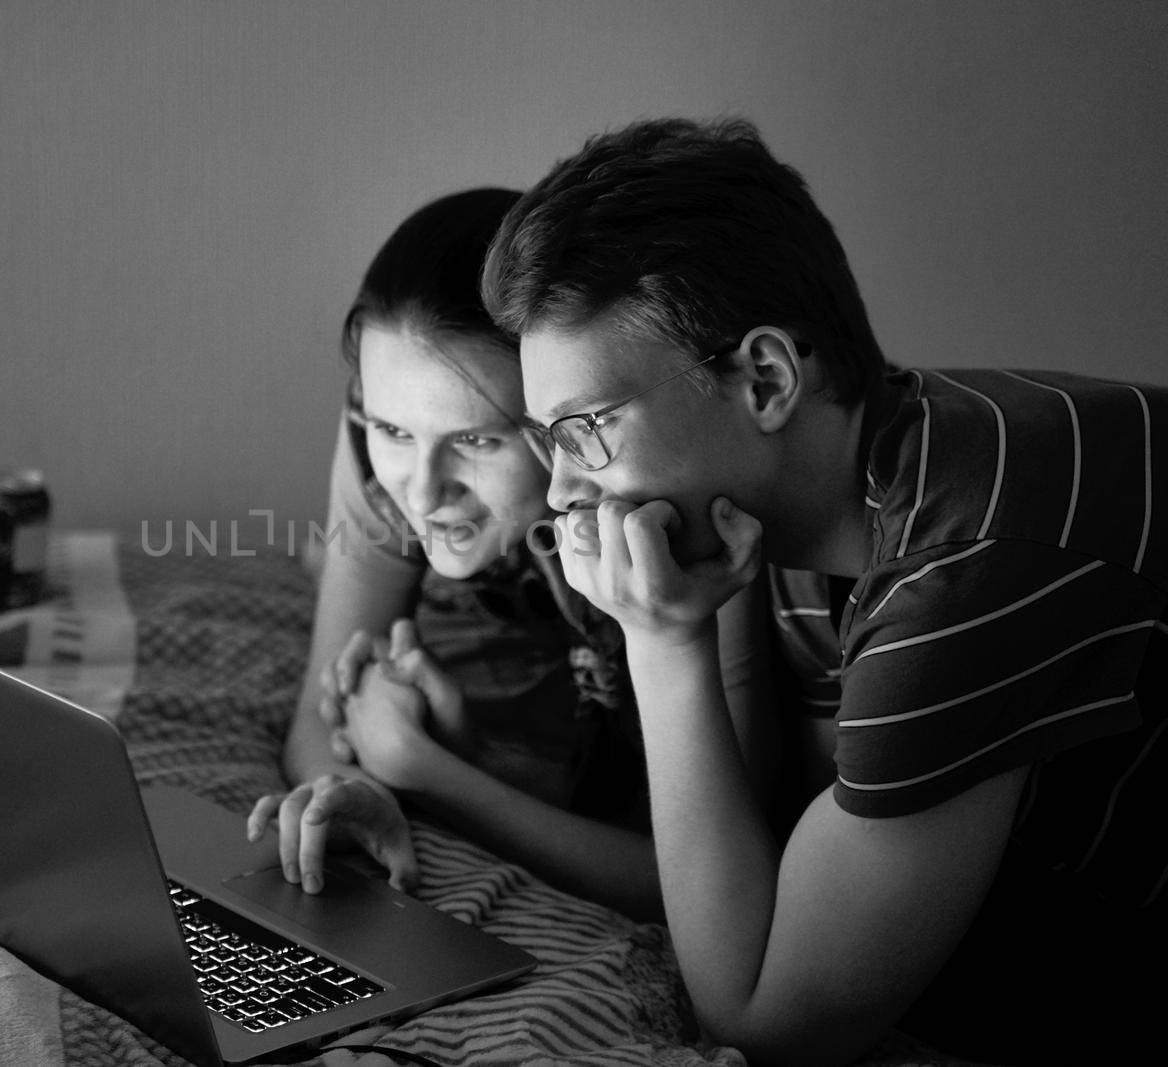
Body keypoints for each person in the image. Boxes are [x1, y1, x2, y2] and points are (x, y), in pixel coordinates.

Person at [478, 115, 1167, 1065]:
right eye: (547, 441)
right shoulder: (810, 508)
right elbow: (765, 845)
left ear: (765, 378)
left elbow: (765, 1016)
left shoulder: (963, 558)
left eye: (586, 428)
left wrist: (663, 643)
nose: (561, 490)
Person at [245, 188, 777, 919]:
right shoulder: (386, 426)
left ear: (565, 418)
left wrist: (430, 773)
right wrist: (357, 786)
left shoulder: (685, 510)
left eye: (475, 440)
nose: (423, 490)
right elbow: (323, 714)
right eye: (391, 429)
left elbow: (700, 879)